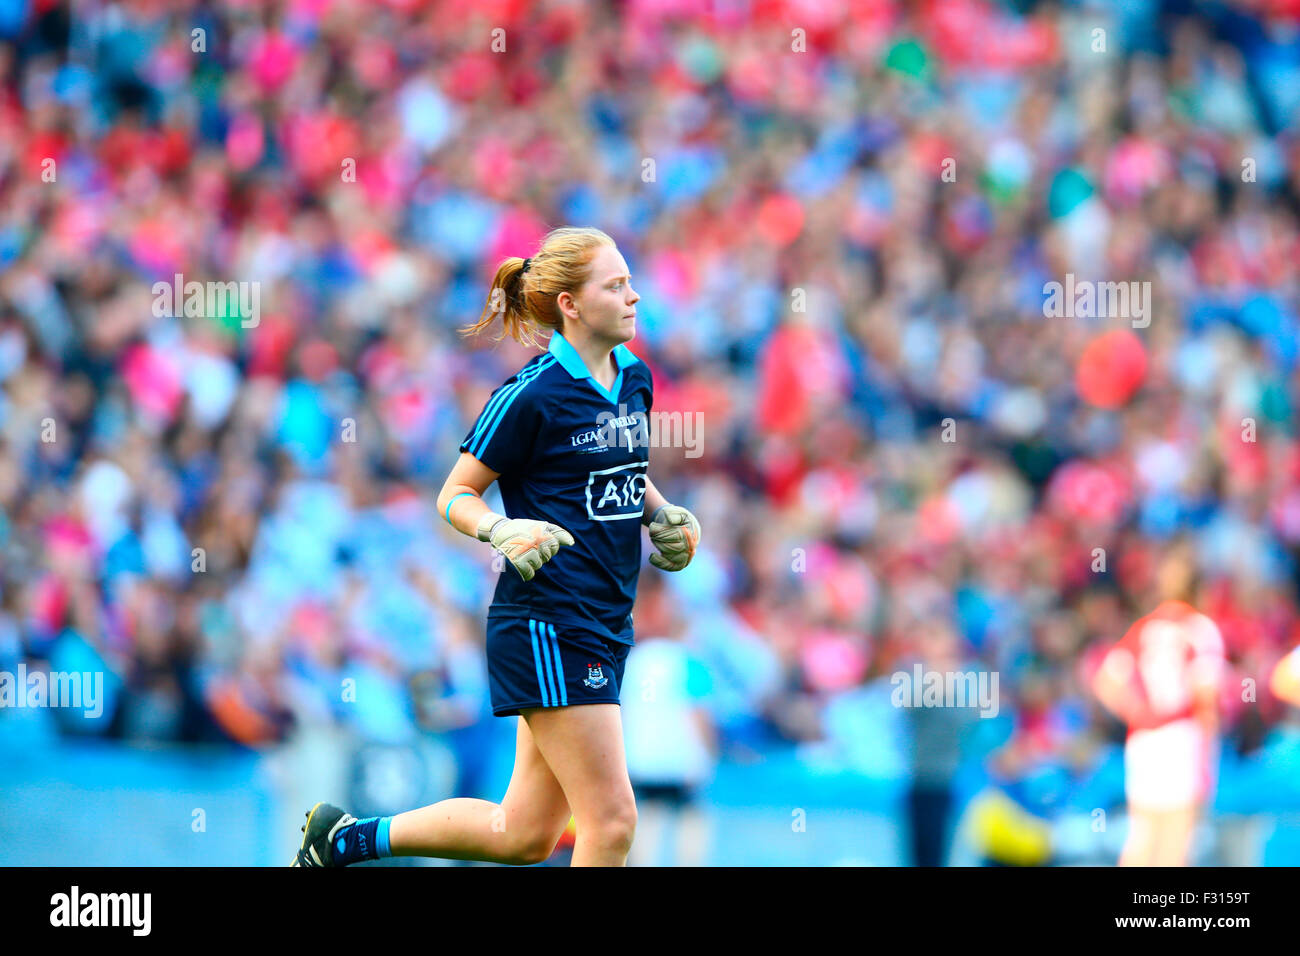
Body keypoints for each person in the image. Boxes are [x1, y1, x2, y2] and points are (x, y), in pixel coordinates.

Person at [291, 226, 702, 867]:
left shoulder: (634, 380)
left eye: (630, 282)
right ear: (570, 303)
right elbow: (455, 495)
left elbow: (621, 469)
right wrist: (502, 530)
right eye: (615, 285)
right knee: (614, 820)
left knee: (523, 833)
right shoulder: (530, 396)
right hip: (548, 622)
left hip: (607, 621)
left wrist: (663, 513)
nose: (634, 296)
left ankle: (344, 840)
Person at [1091, 548, 1225, 866]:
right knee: (1175, 844)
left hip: (1143, 739)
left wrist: (1137, 712)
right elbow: (1205, 698)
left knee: (1142, 838)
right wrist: (1210, 758)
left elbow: (1105, 681)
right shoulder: (1199, 629)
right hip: (1182, 736)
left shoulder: (1143, 629)